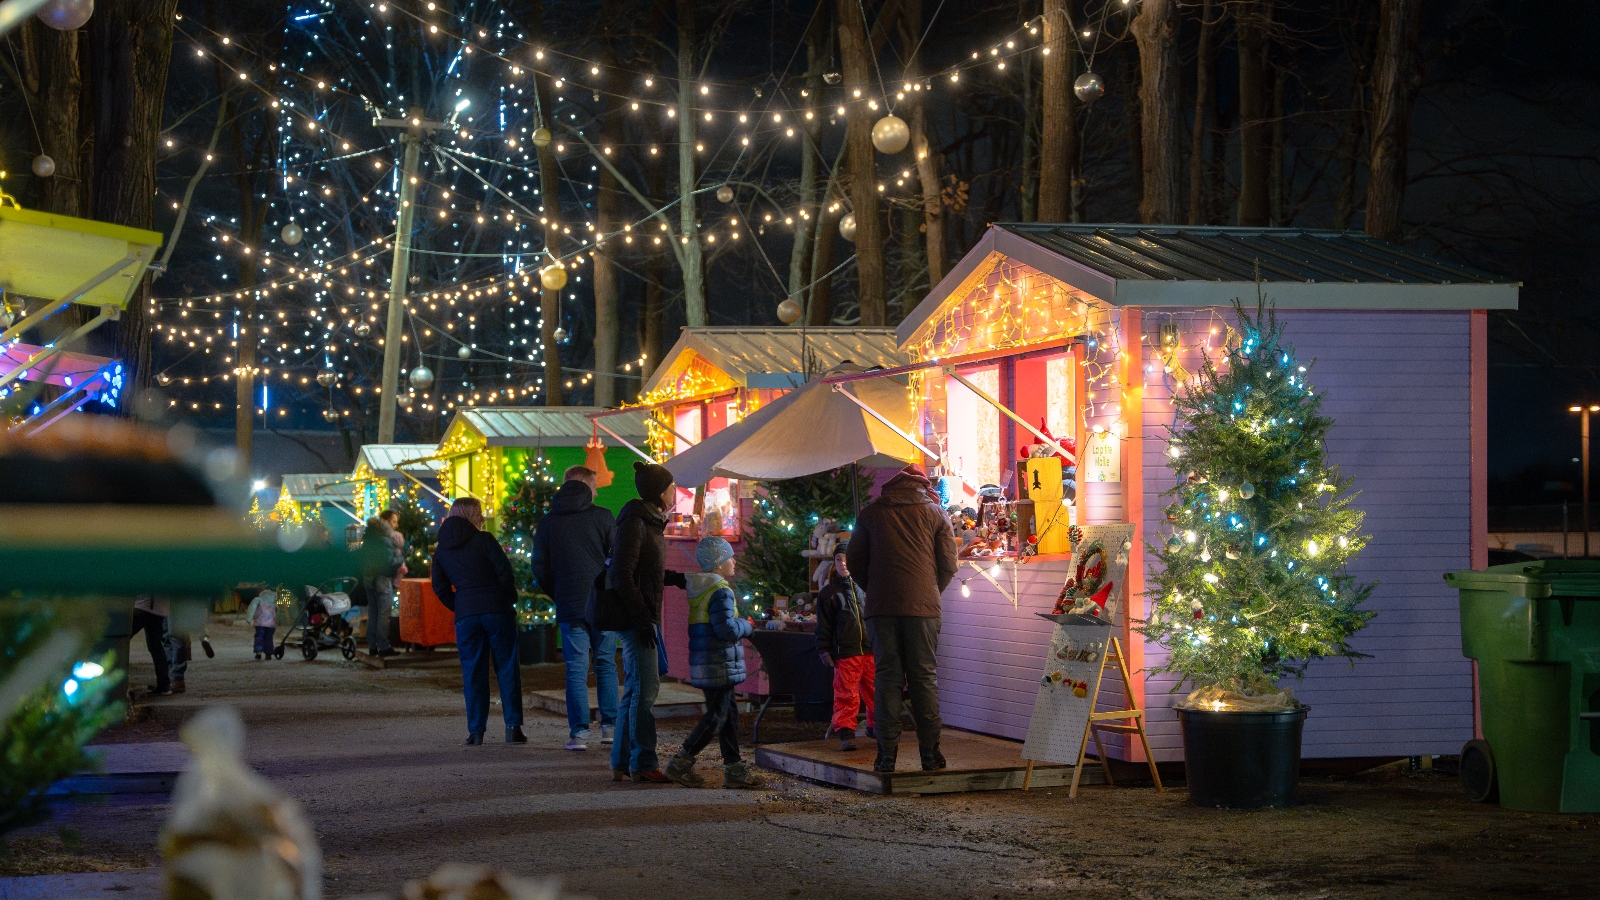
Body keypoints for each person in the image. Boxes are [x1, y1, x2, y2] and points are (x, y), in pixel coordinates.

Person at [846, 464, 958, 774]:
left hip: (881, 609)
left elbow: (854, 563)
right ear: (923, 485)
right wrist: (930, 591)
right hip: (923, 608)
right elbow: (948, 564)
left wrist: (879, 591)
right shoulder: (936, 513)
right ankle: (930, 756)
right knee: (924, 679)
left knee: (887, 680)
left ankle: (885, 758)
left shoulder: (870, 514)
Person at [605, 461, 687, 783]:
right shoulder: (636, 522)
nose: (674, 492)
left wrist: (676, 579)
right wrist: (642, 619)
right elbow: (622, 574)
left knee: (638, 689)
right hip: (637, 618)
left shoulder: (650, 522)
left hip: (642, 616)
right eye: (670, 486)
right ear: (658, 492)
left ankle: (622, 760)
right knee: (646, 690)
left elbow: (644, 572)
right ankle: (642, 761)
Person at [663, 537, 765, 789]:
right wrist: (748, 626)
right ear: (719, 563)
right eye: (730, 557)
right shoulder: (720, 591)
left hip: (707, 661)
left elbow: (678, 579)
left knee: (728, 714)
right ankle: (680, 762)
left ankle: (734, 769)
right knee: (717, 717)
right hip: (718, 661)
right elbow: (726, 630)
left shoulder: (699, 584)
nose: (734, 560)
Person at [533, 465, 618, 752]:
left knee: (575, 670)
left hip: (570, 605)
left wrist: (558, 593)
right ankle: (610, 728)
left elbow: (540, 568)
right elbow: (616, 559)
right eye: (594, 487)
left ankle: (579, 733)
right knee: (606, 664)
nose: (595, 492)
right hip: (603, 604)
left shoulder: (547, 523)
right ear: (585, 487)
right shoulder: (603, 517)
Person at [431, 497, 526, 745]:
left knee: (472, 672)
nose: (483, 517)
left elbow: (439, 587)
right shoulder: (484, 540)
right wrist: (508, 598)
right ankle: (513, 728)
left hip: (466, 616)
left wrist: (461, 605)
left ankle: (476, 732)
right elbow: (505, 573)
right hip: (497, 610)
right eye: (480, 513)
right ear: (472, 515)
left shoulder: (442, 549)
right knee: (507, 668)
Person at [815, 542, 874, 751]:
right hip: (846, 651)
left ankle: (876, 726)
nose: (842, 563)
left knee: (876, 690)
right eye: (838, 559)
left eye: (846, 559)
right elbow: (824, 625)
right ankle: (846, 732)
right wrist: (824, 649)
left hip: (869, 648)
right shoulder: (829, 594)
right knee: (846, 693)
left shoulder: (867, 587)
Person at [360, 514, 404, 658]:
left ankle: (372, 646)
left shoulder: (367, 540)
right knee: (384, 615)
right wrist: (402, 556)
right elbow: (390, 562)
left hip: (368, 578)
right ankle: (384, 646)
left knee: (373, 613)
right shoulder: (385, 541)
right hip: (382, 579)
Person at [130, 595, 171, 696]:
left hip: (145, 606)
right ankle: (164, 685)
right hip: (158, 608)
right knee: (155, 645)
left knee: (121, 636)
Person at [245, 589, 278, 660]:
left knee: (259, 636)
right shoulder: (274, 602)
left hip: (260, 623)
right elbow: (277, 613)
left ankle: (258, 651)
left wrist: (248, 619)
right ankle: (268, 653)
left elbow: (252, 609)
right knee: (269, 638)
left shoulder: (258, 600)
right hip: (271, 624)